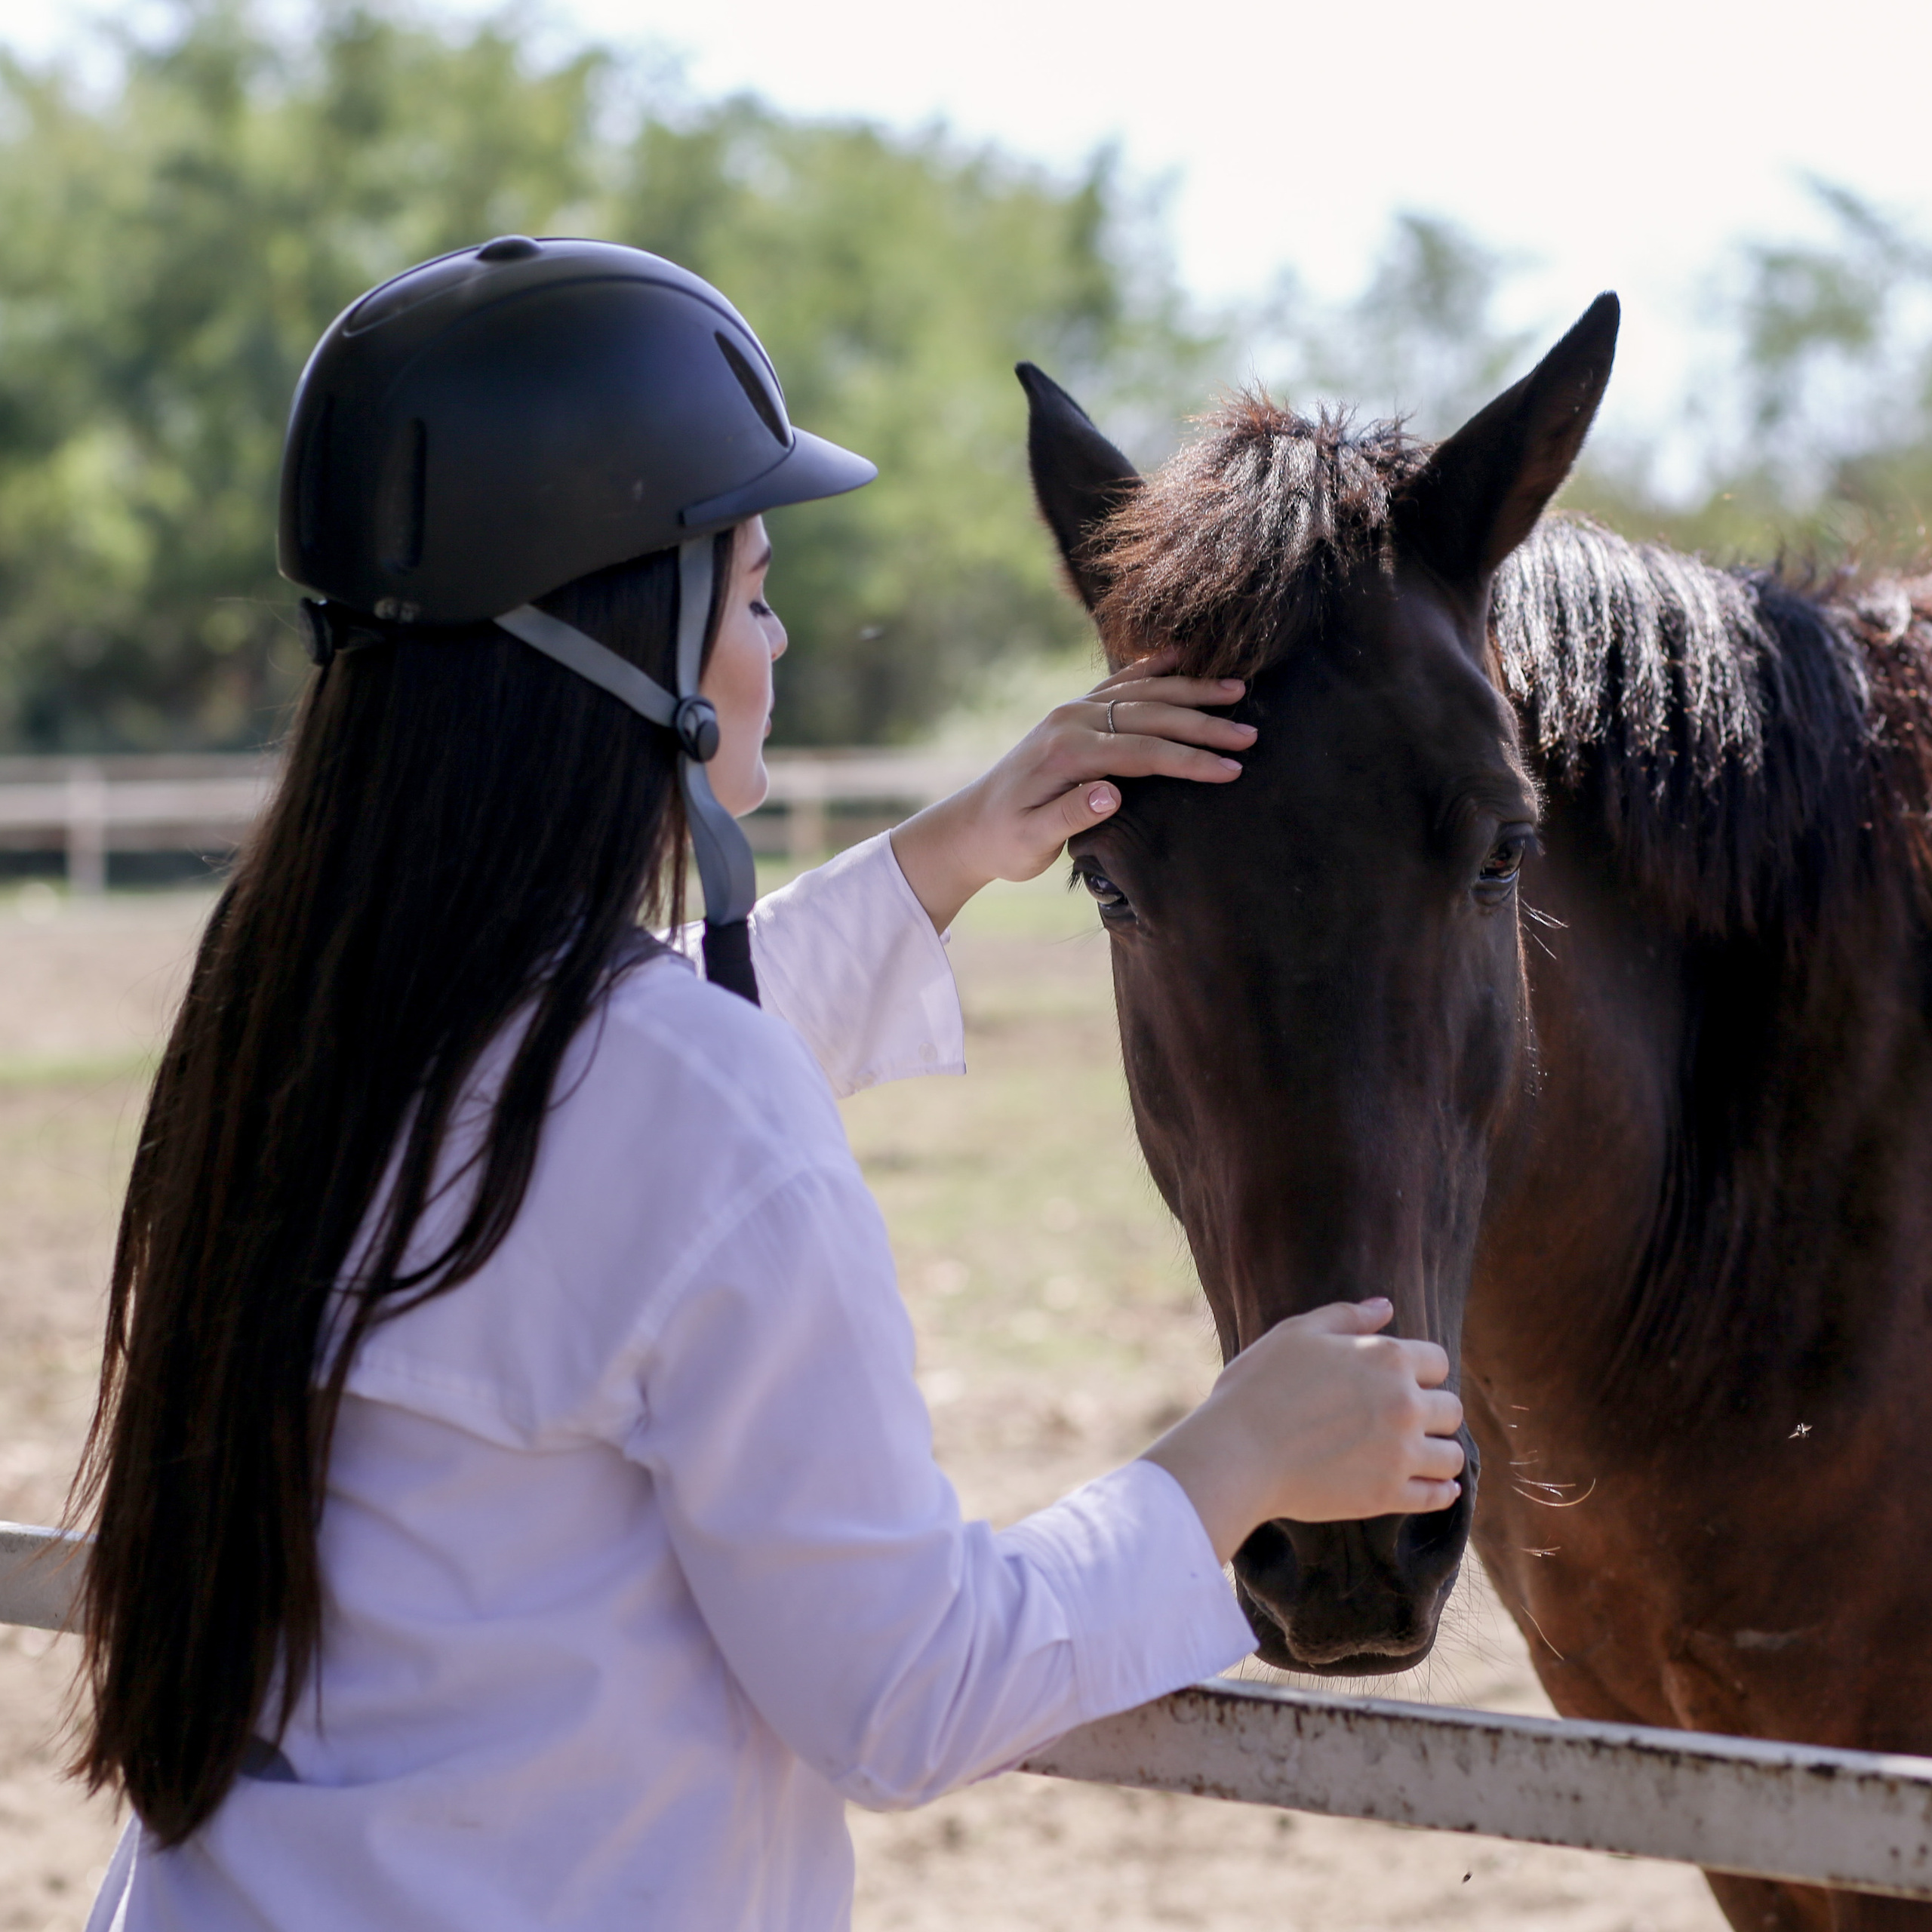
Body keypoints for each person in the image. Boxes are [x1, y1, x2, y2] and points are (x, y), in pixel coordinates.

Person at [75, 238, 1464, 1932]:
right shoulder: (669, 1093)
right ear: (616, 634)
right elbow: (909, 1689)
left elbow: (578, 1146)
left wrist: (947, 852)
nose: (777, 632)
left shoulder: (290, 1017)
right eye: (743, 587)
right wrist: (1226, 1462)